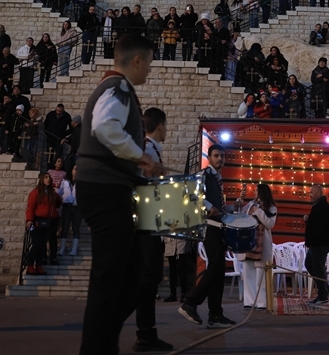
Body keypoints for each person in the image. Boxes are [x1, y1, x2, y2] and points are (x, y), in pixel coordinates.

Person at [75, 35, 166, 354]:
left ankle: (102, 342)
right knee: (110, 277)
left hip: (107, 187)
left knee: (130, 273)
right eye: (150, 63)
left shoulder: (115, 88)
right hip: (105, 189)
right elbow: (105, 126)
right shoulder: (120, 88)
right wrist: (142, 157)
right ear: (137, 61)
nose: (150, 71)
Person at [179, 143, 238, 329]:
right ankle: (190, 303)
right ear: (210, 157)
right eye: (216, 156)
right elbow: (189, 192)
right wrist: (207, 206)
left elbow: (218, 209)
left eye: (222, 156)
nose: (220, 159)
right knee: (216, 266)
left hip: (217, 225)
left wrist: (231, 208)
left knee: (219, 270)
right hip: (209, 227)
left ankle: (216, 314)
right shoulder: (204, 175)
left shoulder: (217, 179)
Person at [132, 107, 174, 352]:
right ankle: (144, 333)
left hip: (151, 220)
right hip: (145, 220)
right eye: (166, 127)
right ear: (160, 126)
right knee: (149, 276)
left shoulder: (151, 149)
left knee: (151, 276)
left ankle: (147, 332)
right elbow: (140, 183)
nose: (167, 131)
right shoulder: (147, 150)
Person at [239, 183, 277, 309]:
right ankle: (249, 301)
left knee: (260, 274)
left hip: (261, 244)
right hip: (249, 242)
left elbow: (270, 224)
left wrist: (258, 211)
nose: (254, 192)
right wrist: (240, 200)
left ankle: (261, 302)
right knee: (248, 272)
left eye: (256, 190)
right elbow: (240, 214)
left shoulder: (271, 208)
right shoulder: (251, 204)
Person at [304, 184, 329, 305]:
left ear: (318, 193)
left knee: (318, 268)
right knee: (310, 265)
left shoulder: (321, 207)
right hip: (317, 243)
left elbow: (318, 227)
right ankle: (324, 288)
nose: (309, 195)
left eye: (311, 192)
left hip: (319, 244)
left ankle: (323, 296)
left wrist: (310, 240)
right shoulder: (319, 206)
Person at [58, 166, 81, 256]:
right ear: (71, 170)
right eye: (75, 169)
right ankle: (62, 248)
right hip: (67, 206)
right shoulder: (65, 182)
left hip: (77, 207)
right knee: (65, 227)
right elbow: (59, 193)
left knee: (76, 227)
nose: (76, 171)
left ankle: (74, 249)